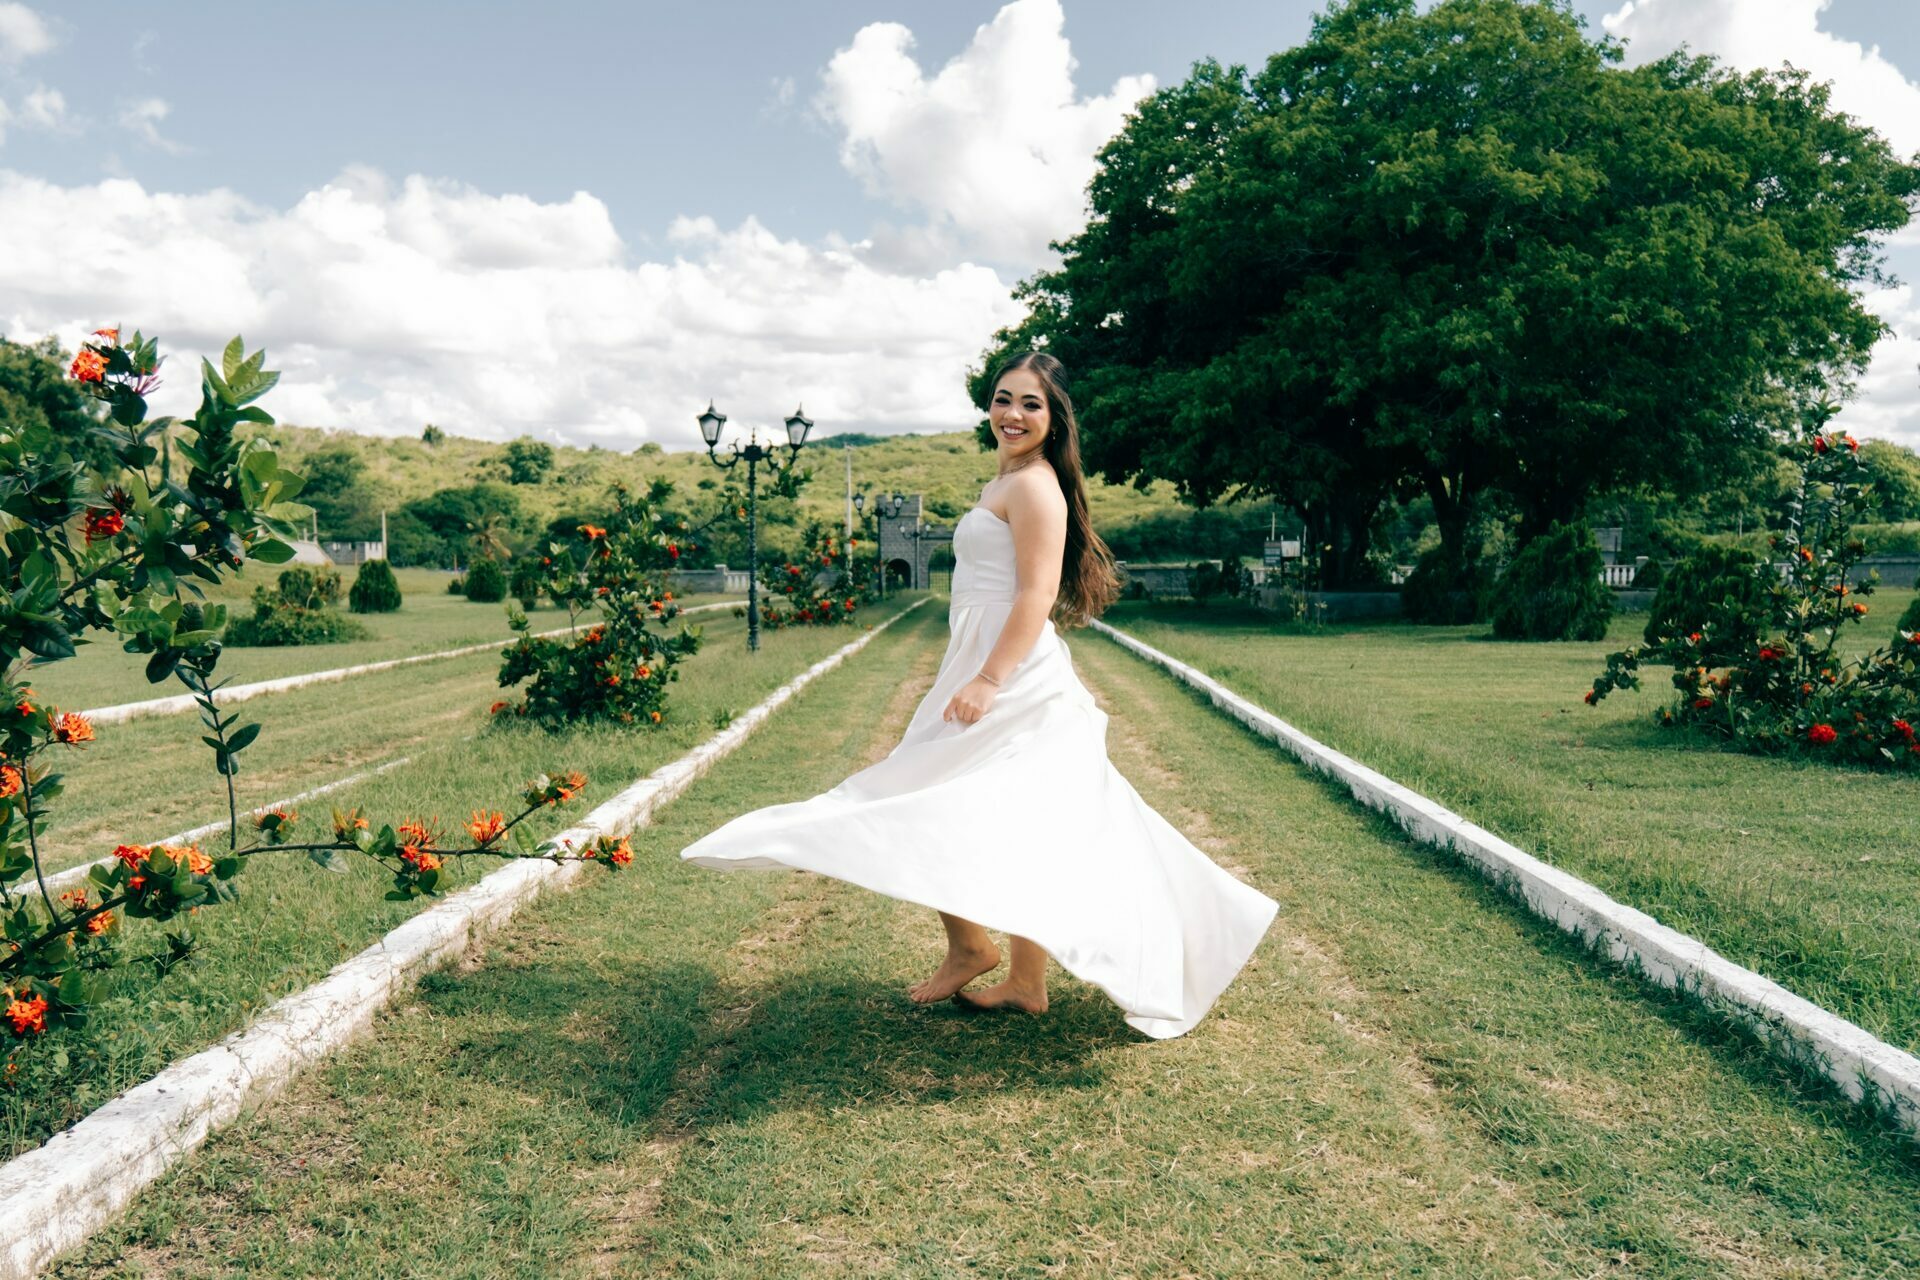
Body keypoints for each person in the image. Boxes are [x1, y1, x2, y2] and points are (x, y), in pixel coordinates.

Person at [679, 350, 1279, 1038]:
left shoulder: (1036, 487)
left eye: (1031, 403)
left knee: (928, 790)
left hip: (1013, 673)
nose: (1012, 414)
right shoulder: (1010, 480)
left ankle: (975, 949)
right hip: (982, 656)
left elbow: (1037, 593)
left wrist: (989, 679)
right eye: (1003, 398)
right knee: (1010, 813)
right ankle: (1022, 980)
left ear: (1056, 419)